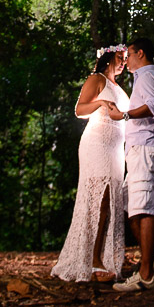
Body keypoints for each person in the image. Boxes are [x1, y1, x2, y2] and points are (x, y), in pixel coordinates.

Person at [50, 44, 129, 282]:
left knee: (110, 204)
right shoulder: (97, 79)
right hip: (97, 144)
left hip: (116, 150)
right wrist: (101, 104)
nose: (124, 62)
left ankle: (101, 257)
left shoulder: (119, 88)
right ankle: (92, 260)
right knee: (99, 199)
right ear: (108, 58)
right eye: (120, 57)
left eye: (125, 58)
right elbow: (80, 110)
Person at [106, 37, 154, 293]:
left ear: (141, 54)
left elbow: (152, 107)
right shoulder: (147, 78)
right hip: (142, 150)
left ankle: (146, 275)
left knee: (144, 208)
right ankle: (147, 263)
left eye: (130, 55)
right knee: (128, 204)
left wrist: (123, 115)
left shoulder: (146, 77)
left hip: (145, 148)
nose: (127, 60)